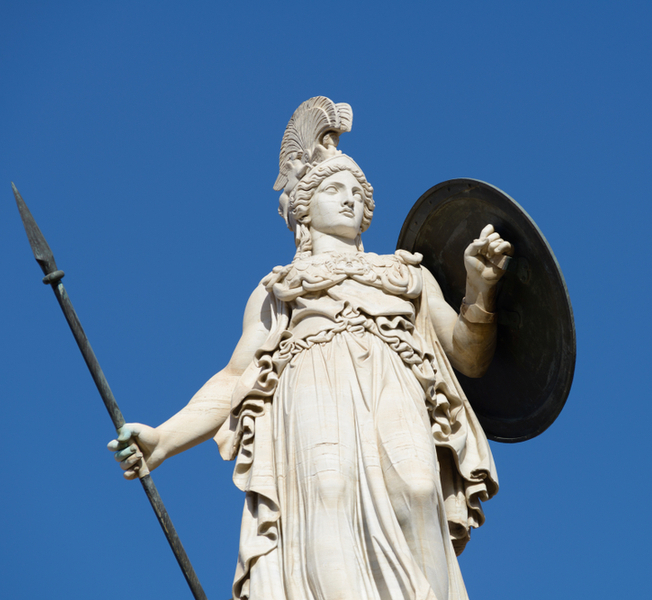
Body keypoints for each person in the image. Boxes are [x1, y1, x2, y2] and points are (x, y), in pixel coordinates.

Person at [109, 97, 510, 600]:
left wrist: (481, 289)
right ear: (303, 207)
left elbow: (469, 354)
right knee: (326, 493)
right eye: (333, 188)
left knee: (420, 489)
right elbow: (237, 377)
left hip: (395, 379)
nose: (349, 199)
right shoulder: (280, 288)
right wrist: (164, 439)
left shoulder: (408, 274)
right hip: (311, 383)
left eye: (357, 192)